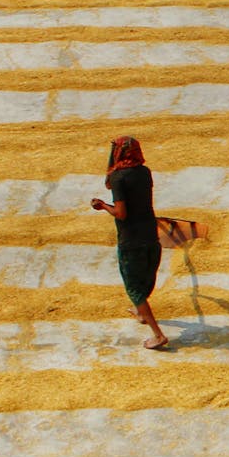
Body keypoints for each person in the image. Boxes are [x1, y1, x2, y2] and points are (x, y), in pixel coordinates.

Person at [90, 136, 170, 350]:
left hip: (131, 240)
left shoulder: (118, 178)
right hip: (151, 236)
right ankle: (140, 311)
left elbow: (121, 213)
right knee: (146, 277)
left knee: (133, 287)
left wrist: (103, 206)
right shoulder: (145, 172)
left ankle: (158, 334)